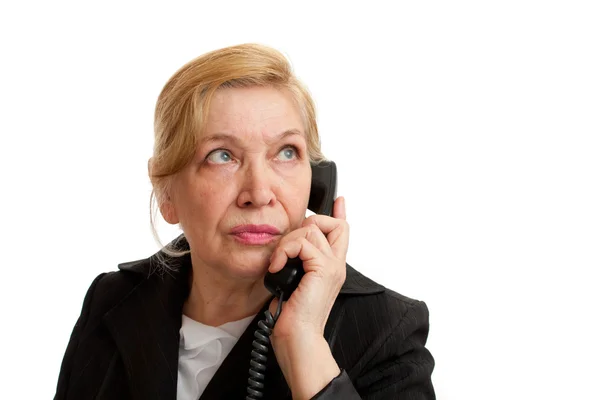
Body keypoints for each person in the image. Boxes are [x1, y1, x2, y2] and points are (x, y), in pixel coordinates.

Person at [54, 43, 436, 400]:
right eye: (222, 156)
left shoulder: (386, 329)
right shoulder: (112, 300)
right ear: (167, 195)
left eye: (286, 153)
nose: (259, 192)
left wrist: (303, 344)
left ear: (316, 182)